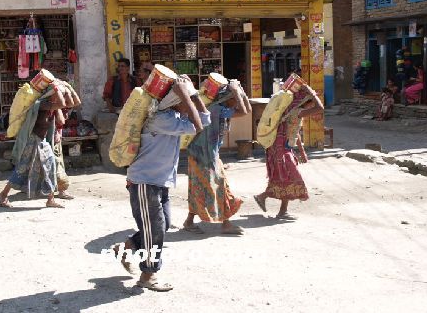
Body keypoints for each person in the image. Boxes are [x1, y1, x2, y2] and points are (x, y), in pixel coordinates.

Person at [114, 77, 210, 292]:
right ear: (175, 99)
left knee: (162, 225)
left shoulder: (173, 116)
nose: (188, 103)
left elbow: (204, 120)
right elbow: (200, 125)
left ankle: (125, 247)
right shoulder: (159, 119)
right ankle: (148, 275)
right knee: (155, 231)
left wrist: (192, 93)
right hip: (144, 182)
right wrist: (186, 94)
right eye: (184, 99)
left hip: (159, 182)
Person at [183, 80, 252, 235]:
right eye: (235, 99)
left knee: (201, 188)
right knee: (215, 187)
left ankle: (189, 221)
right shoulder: (216, 109)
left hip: (205, 155)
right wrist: (235, 91)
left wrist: (240, 91)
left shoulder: (221, 108)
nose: (236, 103)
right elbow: (244, 111)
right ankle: (225, 224)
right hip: (202, 156)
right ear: (227, 98)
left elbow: (247, 109)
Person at [254, 79, 323, 219]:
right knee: (292, 176)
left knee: (283, 177)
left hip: (281, 147)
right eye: (309, 101)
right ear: (305, 100)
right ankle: (264, 197)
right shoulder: (297, 111)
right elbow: (320, 108)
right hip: (280, 149)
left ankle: (280, 209)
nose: (311, 104)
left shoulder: (291, 110)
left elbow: (294, 131)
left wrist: (301, 151)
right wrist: (312, 93)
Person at [0, 82, 71, 208]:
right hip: (32, 140)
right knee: (23, 167)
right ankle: (3, 195)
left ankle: (50, 199)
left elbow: (68, 107)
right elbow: (63, 103)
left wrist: (68, 90)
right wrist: (56, 89)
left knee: (50, 166)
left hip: (42, 141)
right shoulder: (41, 104)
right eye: (59, 94)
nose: (61, 97)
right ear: (51, 94)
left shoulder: (52, 107)